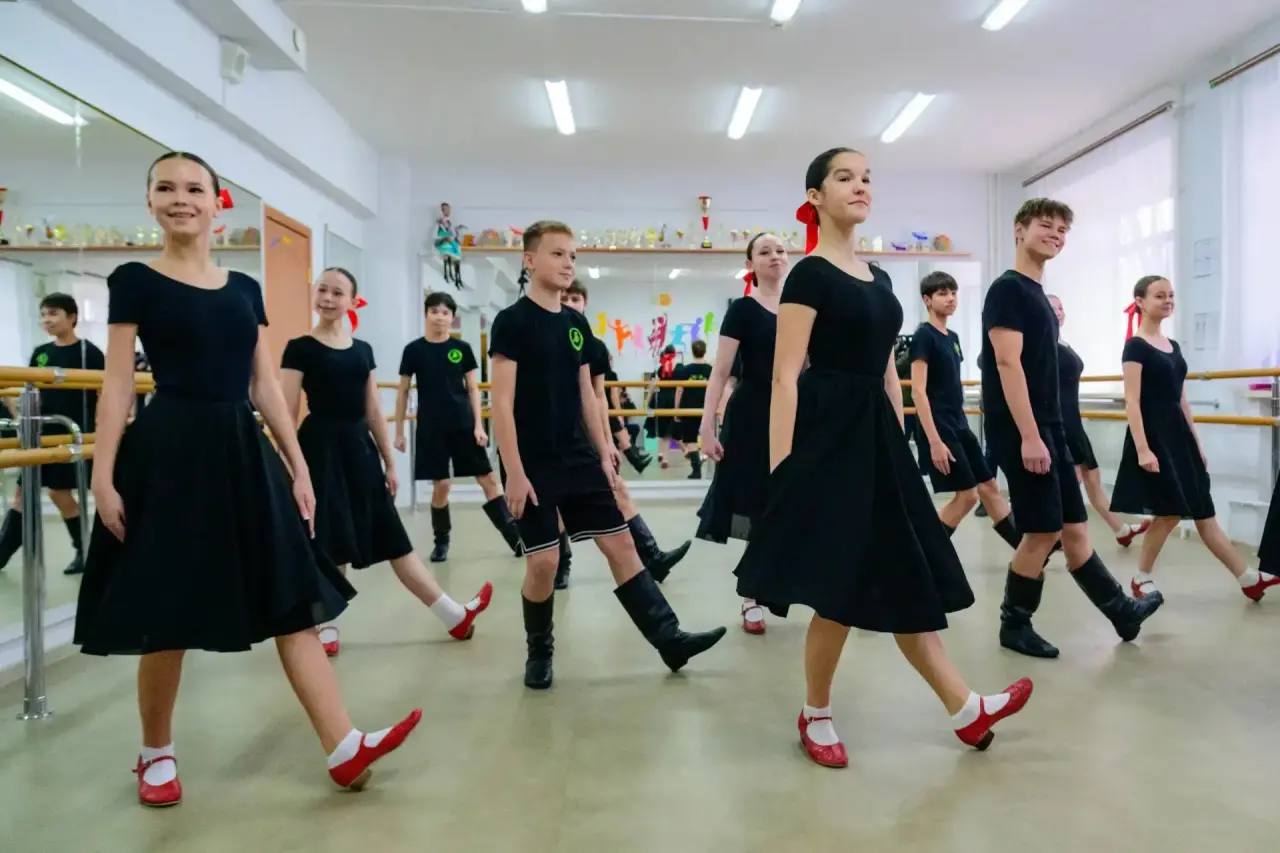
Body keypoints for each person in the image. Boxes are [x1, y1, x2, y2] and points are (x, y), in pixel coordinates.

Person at [74, 152, 419, 807]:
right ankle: (155, 752)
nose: (180, 198)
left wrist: (297, 466)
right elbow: (118, 385)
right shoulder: (135, 280)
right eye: (166, 188)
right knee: (167, 607)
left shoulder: (243, 288)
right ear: (150, 201)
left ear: (215, 202)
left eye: (194, 188)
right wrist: (103, 476)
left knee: (292, 591)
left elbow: (263, 384)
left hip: (241, 449)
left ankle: (342, 744)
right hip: (168, 451)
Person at [735, 148, 1032, 768]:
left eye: (867, 178)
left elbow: (886, 375)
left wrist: (899, 441)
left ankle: (964, 708)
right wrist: (782, 470)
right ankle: (816, 712)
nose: (860, 186)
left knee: (900, 573)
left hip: (877, 439)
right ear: (814, 196)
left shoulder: (881, 278)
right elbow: (786, 376)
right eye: (844, 177)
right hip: (827, 436)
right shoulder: (809, 275)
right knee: (841, 585)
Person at [490, 220, 725, 690]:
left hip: (578, 456)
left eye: (572, 256)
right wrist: (513, 471)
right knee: (543, 563)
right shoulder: (511, 322)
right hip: (532, 462)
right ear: (530, 260)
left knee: (621, 545)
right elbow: (500, 402)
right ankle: (539, 651)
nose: (567, 263)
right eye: (557, 254)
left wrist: (604, 453)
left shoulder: (576, 325)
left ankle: (670, 639)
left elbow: (587, 394)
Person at [982, 199, 1164, 660]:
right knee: (1042, 533)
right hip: (1025, 430)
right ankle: (1014, 625)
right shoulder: (1008, 290)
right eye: (1046, 226)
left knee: (1076, 529)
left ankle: (1121, 611)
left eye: (1063, 230)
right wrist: (1029, 436)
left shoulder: (1039, 295)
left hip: (1051, 427)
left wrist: (1048, 432)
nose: (1056, 236)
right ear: (1019, 229)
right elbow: (1007, 364)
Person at [281, 268, 494, 657]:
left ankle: (453, 615)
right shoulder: (299, 348)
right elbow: (286, 412)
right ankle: (325, 627)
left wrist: (389, 462)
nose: (328, 298)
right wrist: (294, 469)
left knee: (394, 538)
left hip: (359, 449)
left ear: (352, 301)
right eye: (322, 290)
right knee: (329, 537)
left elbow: (374, 410)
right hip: (319, 451)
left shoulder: (362, 350)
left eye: (337, 293)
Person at [1110, 276, 1280, 602]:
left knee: (1204, 511)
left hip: (1180, 438)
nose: (1168, 300)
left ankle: (1247, 578)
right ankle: (1141, 577)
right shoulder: (1135, 346)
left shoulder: (1173, 346)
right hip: (1154, 438)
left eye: (1171, 295)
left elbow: (1182, 400)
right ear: (1140, 302)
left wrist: (1196, 443)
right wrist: (1143, 449)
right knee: (1169, 512)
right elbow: (1132, 400)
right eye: (1159, 296)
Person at [558, 279, 690, 590]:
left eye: (576, 298)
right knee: (558, 503)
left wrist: (608, 441)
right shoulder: (546, 338)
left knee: (619, 489)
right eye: (566, 298)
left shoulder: (594, 346)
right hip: (557, 432)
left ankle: (653, 557)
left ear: (585, 303)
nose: (571, 303)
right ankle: (562, 566)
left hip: (587, 432)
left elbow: (599, 396)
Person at [697, 232, 787, 635]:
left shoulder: (801, 309)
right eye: (765, 252)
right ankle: (751, 594)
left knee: (790, 502)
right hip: (752, 415)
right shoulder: (743, 310)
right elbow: (720, 372)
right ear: (750, 264)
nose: (775, 256)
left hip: (794, 413)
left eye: (780, 250)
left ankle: (774, 582)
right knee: (759, 502)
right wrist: (706, 424)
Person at [395, 292, 522, 562]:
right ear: (426, 314)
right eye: (434, 311)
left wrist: (479, 426)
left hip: (463, 424)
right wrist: (398, 432)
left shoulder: (461, 348)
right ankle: (441, 541)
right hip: (431, 427)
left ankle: (515, 538)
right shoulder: (414, 350)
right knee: (442, 485)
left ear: (452, 318)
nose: (439, 317)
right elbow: (403, 391)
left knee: (488, 480)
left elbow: (473, 389)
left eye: (445, 313)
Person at [909, 272, 1023, 549]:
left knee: (990, 488)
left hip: (959, 424)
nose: (950, 298)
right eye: (942, 293)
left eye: (953, 292)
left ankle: (1028, 554)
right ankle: (925, 551)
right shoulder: (923, 336)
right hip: (940, 428)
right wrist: (934, 441)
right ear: (927, 300)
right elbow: (918, 391)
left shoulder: (953, 337)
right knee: (968, 495)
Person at [0, 294, 105, 576]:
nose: (47, 320)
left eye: (53, 314)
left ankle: (84, 549)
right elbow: (30, 389)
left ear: (72, 317)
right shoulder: (41, 352)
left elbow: (103, 392)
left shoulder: (88, 352)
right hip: (39, 432)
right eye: (44, 314)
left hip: (70, 432)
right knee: (22, 494)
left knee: (60, 493)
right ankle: (2, 552)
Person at [1047, 293, 1150, 546]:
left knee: (1092, 478)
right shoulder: (1041, 345)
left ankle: (1120, 530)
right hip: (1060, 422)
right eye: (1052, 308)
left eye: (1060, 307)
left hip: (1073, 420)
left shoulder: (1062, 343)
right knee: (1070, 484)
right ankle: (1057, 538)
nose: (1058, 312)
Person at [673, 339, 713, 479]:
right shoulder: (710, 370)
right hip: (705, 408)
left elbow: (679, 390)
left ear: (692, 351)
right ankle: (706, 464)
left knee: (690, 440)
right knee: (708, 436)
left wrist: (676, 410)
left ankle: (696, 470)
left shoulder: (685, 370)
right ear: (705, 351)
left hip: (688, 409)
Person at [647, 345, 680, 469]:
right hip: (674, 400)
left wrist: (647, 401)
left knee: (663, 431)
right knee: (674, 430)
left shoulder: (660, 368)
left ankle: (663, 455)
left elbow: (652, 386)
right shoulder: (678, 368)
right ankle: (687, 452)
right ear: (675, 354)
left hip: (662, 400)